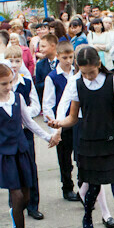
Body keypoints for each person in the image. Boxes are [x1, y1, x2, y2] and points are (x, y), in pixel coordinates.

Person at [47, 46, 114, 228]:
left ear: (99, 64)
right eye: (84, 72)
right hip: (89, 143)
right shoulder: (77, 84)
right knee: (93, 188)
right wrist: (58, 123)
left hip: (112, 141)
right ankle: (87, 217)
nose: (87, 76)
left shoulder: (113, 81)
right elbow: (72, 117)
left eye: (91, 72)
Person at [0, 63, 59, 228]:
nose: (8, 87)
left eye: (10, 82)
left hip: (21, 151)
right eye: (3, 84)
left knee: (25, 195)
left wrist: (49, 137)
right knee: (16, 196)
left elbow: (29, 122)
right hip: (4, 156)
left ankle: (15, 214)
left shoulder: (17, 98)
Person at [5, 45, 44, 221]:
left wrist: (23, 113)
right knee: (12, 168)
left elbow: (36, 105)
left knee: (29, 166)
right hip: (8, 134)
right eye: (10, 60)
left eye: (17, 60)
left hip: (25, 131)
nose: (14, 64)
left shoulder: (26, 82)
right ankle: (14, 203)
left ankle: (33, 204)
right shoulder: (1, 85)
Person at [42, 40, 79, 201]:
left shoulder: (76, 73)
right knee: (64, 159)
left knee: (80, 155)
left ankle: (83, 187)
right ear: (57, 57)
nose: (68, 61)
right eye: (64, 57)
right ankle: (67, 187)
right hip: (61, 122)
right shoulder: (52, 77)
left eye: (71, 57)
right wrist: (54, 129)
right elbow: (48, 104)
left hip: (77, 119)